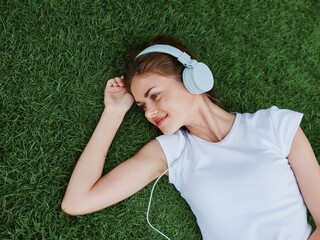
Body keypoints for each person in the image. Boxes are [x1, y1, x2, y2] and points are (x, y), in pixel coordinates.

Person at [61, 36, 320, 240]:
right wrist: (114, 113)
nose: (149, 112)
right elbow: (77, 201)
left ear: (191, 78)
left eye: (155, 95)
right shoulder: (173, 152)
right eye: (141, 106)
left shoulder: (275, 125)